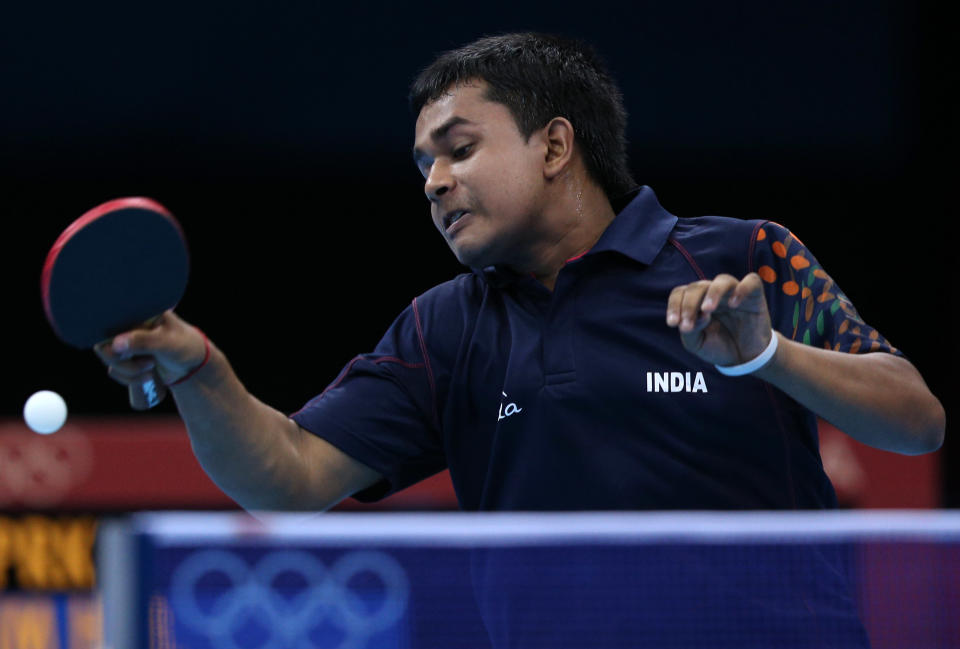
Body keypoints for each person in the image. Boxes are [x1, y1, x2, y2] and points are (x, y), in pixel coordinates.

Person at [95, 32, 943, 512]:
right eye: (423, 164)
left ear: (555, 146)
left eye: (460, 149)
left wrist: (767, 356)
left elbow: (918, 420)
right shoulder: (444, 330)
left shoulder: (745, 257)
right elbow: (287, 476)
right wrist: (195, 367)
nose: (433, 182)